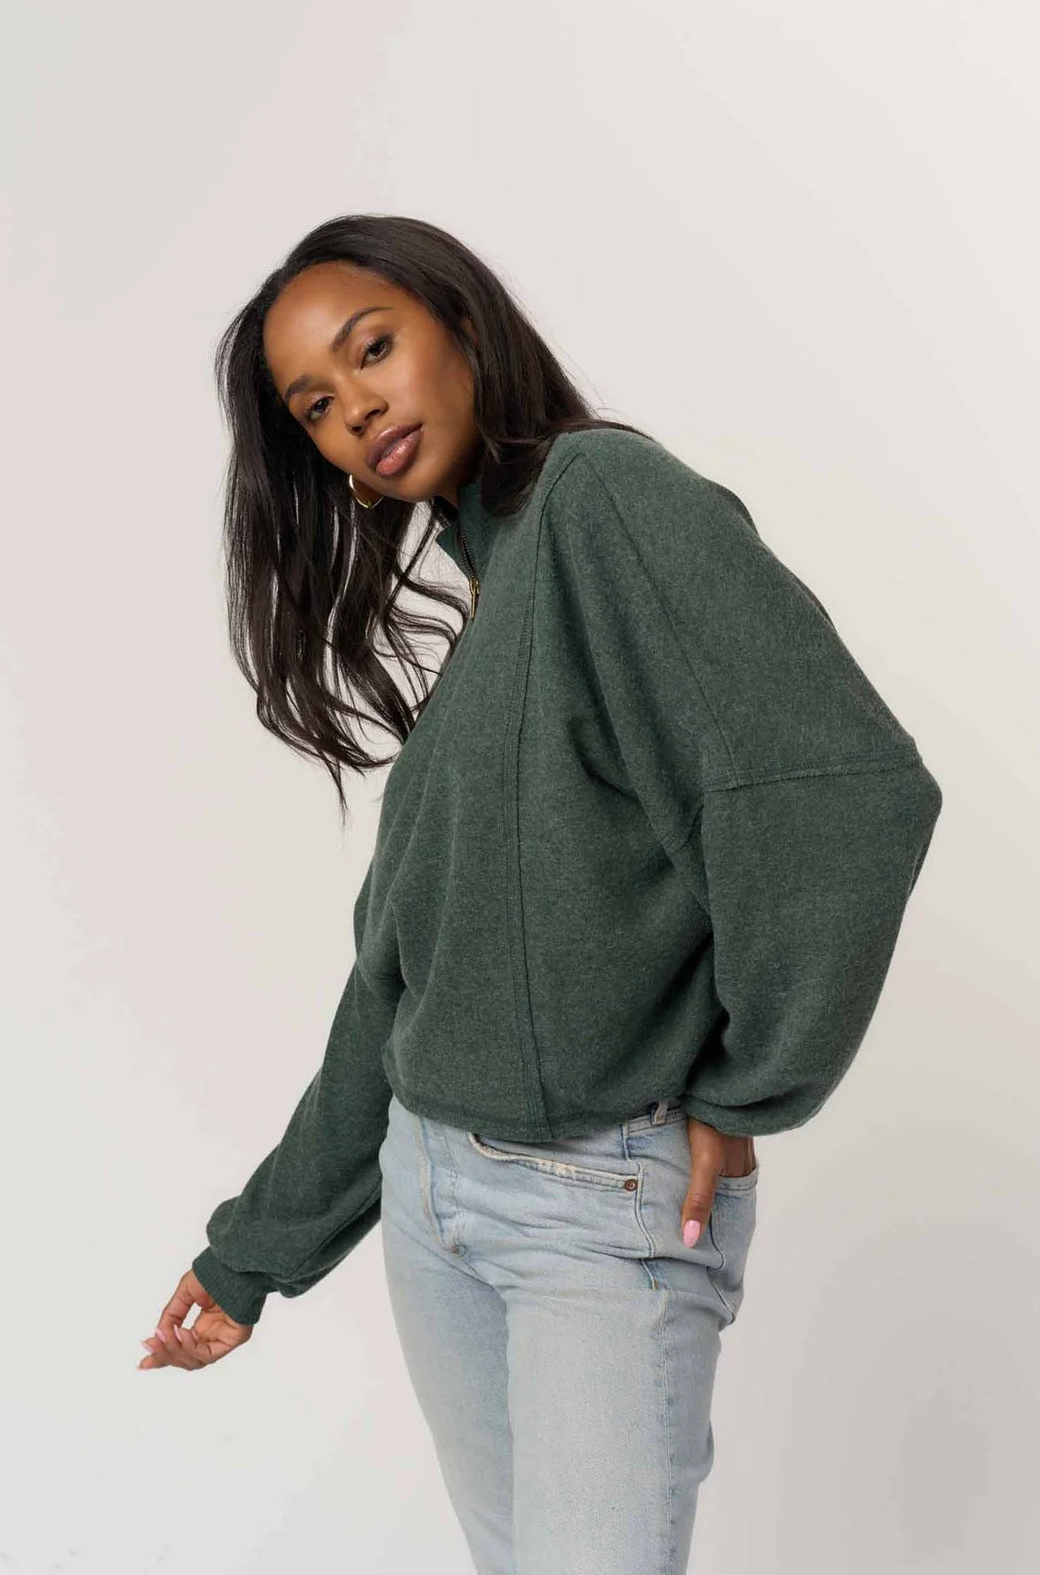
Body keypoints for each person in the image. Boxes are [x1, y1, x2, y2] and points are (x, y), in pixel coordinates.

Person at [137, 214, 943, 1573]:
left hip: (592, 1209)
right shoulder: (501, 593)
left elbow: (838, 798)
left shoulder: (602, 500)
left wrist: (749, 1091)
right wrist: (251, 1256)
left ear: (463, 322)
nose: (355, 412)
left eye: (372, 349)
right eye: (316, 406)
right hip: (431, 1193)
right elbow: (399, 994)